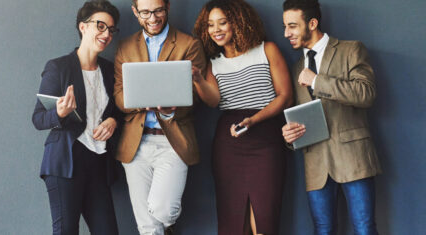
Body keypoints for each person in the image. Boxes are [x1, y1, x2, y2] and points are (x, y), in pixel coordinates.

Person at [281, 0, 382, 234]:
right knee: (322, 230)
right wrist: (289, 136)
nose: (286, 33)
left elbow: (366, 94)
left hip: (353, 157)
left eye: (293, 26)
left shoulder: (351, 49)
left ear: (312, 23)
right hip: (316, 163)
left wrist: (316, 80)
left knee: (364, 228)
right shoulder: (295, 68)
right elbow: (299, 115)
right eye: (285, 26)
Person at [193, 0, 293, 234]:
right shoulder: (213, 64)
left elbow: (285, 97)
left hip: (267, 138)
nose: (215, 29)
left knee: (265, 217)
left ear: (238, 22)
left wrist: (254, 120)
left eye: (222, 22)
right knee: (233, 220)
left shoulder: (266, 50)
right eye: (210, 25)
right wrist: (198, 80)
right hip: (230, 142)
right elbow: (213, 101)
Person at [112, 0, 206, 234]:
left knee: (162, 211)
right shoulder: (125, 47)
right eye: (145, 12)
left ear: (168, 8)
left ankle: (168, 224)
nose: (152, 18)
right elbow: (119, 96)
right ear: (135, 12)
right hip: (136, 143)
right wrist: (144, 100)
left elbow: (197, 96)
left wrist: (170, 110)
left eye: (158, 11)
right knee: (147, 228)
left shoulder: (189, 44)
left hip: (172, 141)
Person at [32, 1, 121, 234]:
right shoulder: (58, 67)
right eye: (100, 26)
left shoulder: (110, 70)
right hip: (65, 163)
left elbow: (118, 110)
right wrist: (59, 113)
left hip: (99, 163)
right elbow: (38, 118)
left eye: (111, 29)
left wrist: (114, 121)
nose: (106, 34)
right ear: (83, 27)